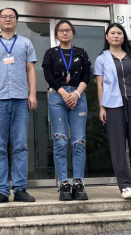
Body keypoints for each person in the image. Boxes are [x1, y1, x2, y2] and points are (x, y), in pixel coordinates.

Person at [0, 8, 38, 204]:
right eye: (4, 17)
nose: (8, 19)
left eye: (11, 17)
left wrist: (32, 94)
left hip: (21, 98)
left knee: (20, 145)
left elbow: (30, 69)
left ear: (17, 21)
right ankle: (2, 190)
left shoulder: (25, 43)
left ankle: (20, 189)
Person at [94, 23, 131, 200]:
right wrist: (102, 107)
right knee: (117, 145)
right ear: (107, 37)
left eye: (119, 33)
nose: (116, 35)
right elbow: (100, 85)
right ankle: (125, 185)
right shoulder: (101, 59)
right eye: (112, 33)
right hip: (113, 104)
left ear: (123, 36)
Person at [42, 20, 91, 201]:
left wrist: (76, 94)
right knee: (60, 140)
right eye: (61, 30)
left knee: (79, 141)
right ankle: (63, 183)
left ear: (73, 32)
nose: (64, 33)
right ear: (56, 34)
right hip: (57, 97)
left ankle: (78, 183)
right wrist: (64, 93)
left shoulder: (81, 52)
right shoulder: (50, 53)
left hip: (79, 96)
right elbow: (48, 76)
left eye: (68, 30)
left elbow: (86, 75)